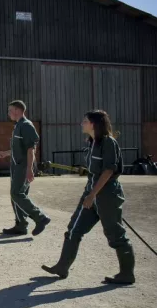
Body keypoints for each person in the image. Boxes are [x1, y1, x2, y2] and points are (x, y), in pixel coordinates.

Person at [42, 110, 135, 285]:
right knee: (74, 228)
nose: (81, 124)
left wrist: (92, 195)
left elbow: (108, 170)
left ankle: (126, 274)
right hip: (91, 192)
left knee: (115, 234)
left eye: (85, 121)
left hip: (107, 195)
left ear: (94, 124)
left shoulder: (108, 143)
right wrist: (89, 193)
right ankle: (62, 267)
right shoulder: (92, 142)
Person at [0, 100, 51, 236]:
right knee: (16, 195)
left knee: (17, 194)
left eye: (10, 110)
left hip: (23, 166)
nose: (8, 113)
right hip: (16, 166)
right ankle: (21, 225)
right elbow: (19, 147)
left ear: (17, 110)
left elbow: (30, 149)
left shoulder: (26, 126)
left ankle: (40, 217)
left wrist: (29, 169)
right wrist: (7, 153)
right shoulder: (18, 126)